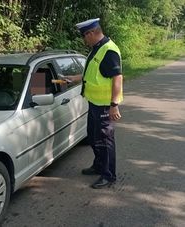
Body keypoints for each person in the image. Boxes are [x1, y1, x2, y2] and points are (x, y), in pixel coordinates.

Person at [76, 18, 123, 189]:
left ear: (91, 33)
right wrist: (73, 79)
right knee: (93, 136)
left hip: (105, 105)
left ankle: (108, 175)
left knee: (105, 140)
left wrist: (114, 104)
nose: (84, 40)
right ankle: (98, 165)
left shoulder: (109, 50)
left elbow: (117, 78)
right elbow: (93, 75)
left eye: (84, 36)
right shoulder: (97, 48)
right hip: (94, 103)